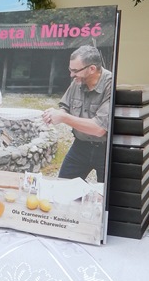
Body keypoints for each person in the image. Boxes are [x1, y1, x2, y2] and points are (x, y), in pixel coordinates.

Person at [42, 45, 112, 182]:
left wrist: (63, 117)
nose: (71, 75)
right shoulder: (78, 81)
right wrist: (55, 114)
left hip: (107, 151)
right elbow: (65, 107)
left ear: (92, 69)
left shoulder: (111, 85)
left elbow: (99, 129)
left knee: (103, 192)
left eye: (75, 71)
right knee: (63, 186)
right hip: (80, 146)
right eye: (70, 70)